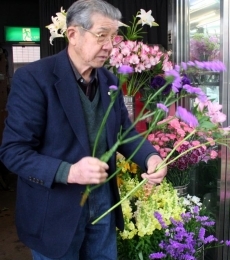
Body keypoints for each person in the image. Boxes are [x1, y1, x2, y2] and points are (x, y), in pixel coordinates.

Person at [0, 0, 167, 259]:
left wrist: (150, 157)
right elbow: (13, 152)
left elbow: (124, 132)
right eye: (102, 35)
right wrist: (69, 171)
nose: (110, 46)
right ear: (73, 34)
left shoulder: (109, 80)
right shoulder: (34, 79)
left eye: (113, 37)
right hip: (54, 214)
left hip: (102, 209)